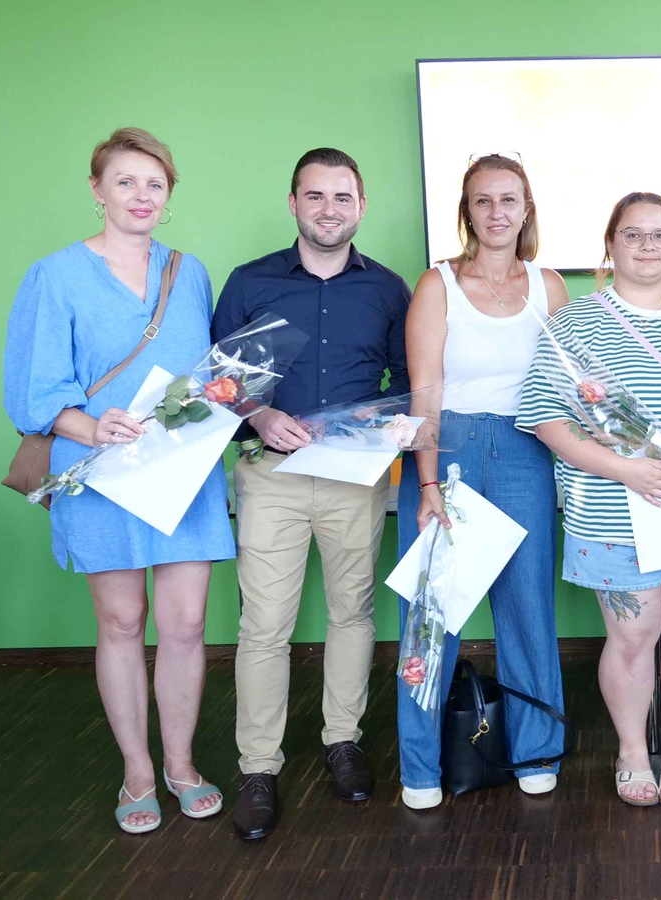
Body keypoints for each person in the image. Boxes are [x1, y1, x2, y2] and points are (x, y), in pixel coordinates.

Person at [3, 127, 230, 833]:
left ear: (168, 198)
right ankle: (137, 770)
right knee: (123, 621)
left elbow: (206, 375)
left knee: (186, 624)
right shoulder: (54, 276)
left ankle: (181, 763)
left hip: (181, 473)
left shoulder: (189, 273)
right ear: (97, 189)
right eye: (125, 181)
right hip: (99, 473)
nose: (140, 195)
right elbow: (32, 392)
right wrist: (89, 425)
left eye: (154, 184)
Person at [517, 192, 661, 807]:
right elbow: (546, 417)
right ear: (610, 244)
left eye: (659, 235)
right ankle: (630, 751)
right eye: (632, 234)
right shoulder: (575, 324)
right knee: (632, 635)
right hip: (612, 509)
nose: (647, 246)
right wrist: (627, 471)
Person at [213, 147, 411, 840]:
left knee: (353, 612)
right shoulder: (250, 282)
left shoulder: (388, 290)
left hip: (356, 478)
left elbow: (405, 383)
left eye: (342, 197)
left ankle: (342, 742)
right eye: (316, 196)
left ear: (362, 205)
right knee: (263, 625)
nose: (330, 209)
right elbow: (219, 382)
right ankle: (258, 768)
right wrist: (259, 414)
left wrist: (375, 422)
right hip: (270, 475)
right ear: (293, 202)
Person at [396, 153, 570, 810]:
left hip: (527, 452)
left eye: (508, 200)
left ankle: (536, 749)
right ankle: (420, 767)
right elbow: (425, 391)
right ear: (466, 212)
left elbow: (568, 386)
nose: (497, 212)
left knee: (528, 610)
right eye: (482, 200)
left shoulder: (549, 287)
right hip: (451, 455)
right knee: (430, 617)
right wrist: (427, 484)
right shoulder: (438, 284)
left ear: (526, 209)